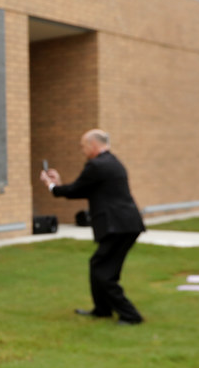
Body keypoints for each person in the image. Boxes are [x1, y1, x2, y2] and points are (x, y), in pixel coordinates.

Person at [40, 129, 145, 325]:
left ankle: (131, 315)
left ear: (93, 145)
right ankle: (102, 309)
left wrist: (52, 186)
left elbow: (77, 189)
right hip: (125, 224)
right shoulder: (112, 162)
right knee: (100, 266)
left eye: (83, 146)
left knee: (103, 273)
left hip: (117, 226)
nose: (82, 150)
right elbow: (86, 189)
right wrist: (60, 185)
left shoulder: (97, 165)